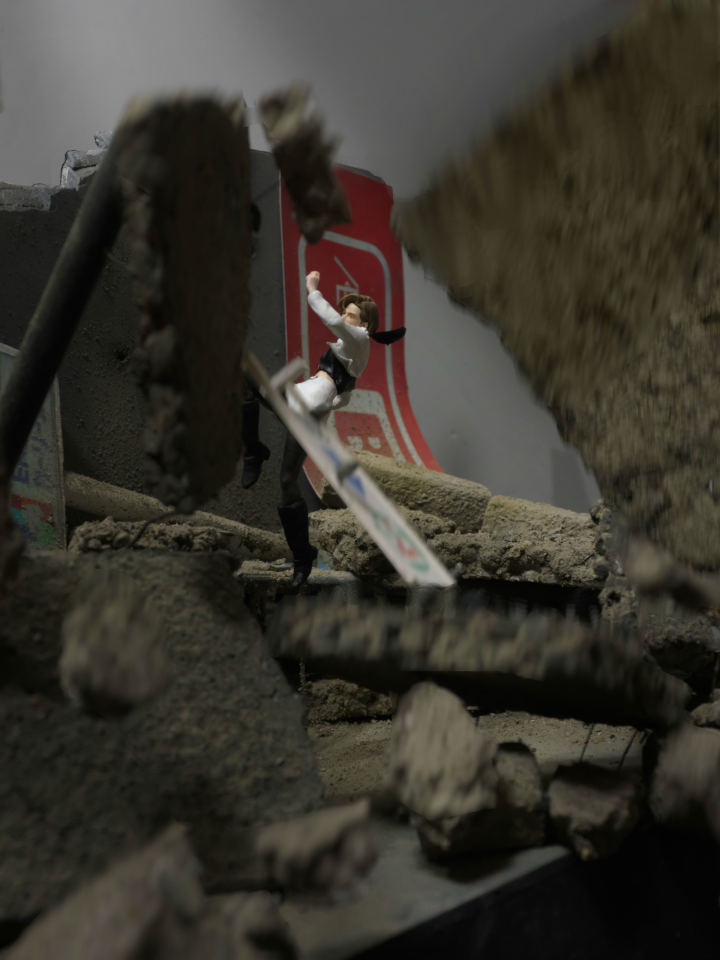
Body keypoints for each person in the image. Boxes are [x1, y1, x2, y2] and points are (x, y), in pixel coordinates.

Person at [242, 270, 405, 587]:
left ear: (365, 325)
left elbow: (330, 318)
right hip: (301, 396)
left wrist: (312, 289)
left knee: (287, 481)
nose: (344, 318)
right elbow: (345, 391)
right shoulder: (352, 345)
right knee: (246, 382)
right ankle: (254, 450)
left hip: (309, 410)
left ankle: (303, 555)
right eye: (345, 313)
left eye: (351, 315)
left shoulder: (359, 340)